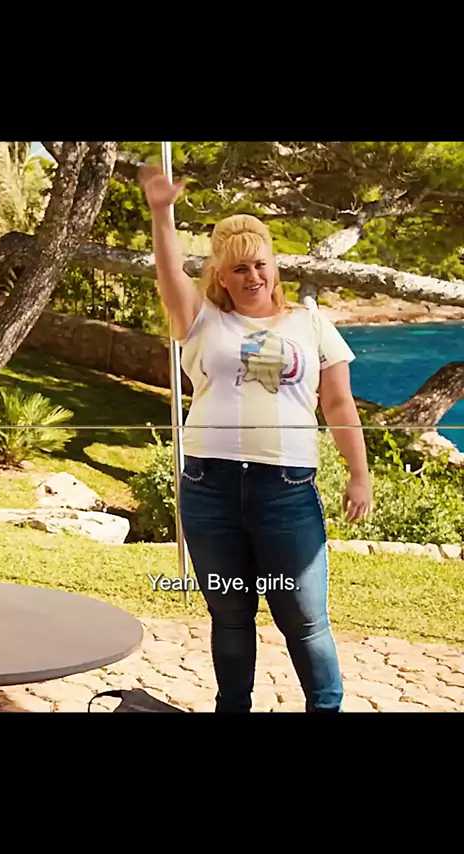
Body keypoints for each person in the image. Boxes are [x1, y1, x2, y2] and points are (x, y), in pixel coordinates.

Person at [138, 163, 373, 713]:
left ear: (274, 267)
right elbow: (169, 272)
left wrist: (359, 474)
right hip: (209, 486)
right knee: (230, 616)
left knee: (305, 618)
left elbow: (339, 405)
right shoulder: (201, 320)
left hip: (285, 489)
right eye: (238, 268)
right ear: (221, 277)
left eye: (260, 264)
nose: (252, 276)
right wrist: (161, 213)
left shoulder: (311, 323)